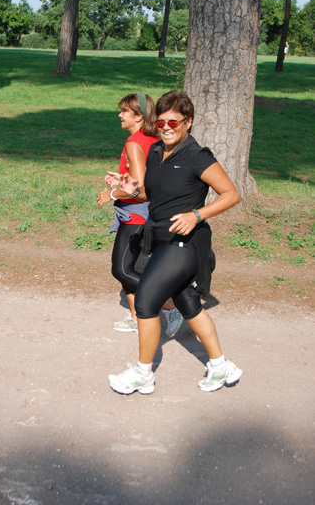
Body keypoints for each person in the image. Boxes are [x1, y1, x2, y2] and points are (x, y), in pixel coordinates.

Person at [107, 90, 243, 394]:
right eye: (162, 122)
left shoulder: (197, 156)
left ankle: (143, 374)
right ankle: (222, 367)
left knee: (145, 301)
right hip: (160, 238)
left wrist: (196, 214)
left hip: (185, 243)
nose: (167, 127)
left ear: (188, 122)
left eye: (174, 122)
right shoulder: (156, 152)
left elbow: (231, 194)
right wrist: (130, 187)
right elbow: (151, 195)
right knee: (189, 304)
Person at [97, 93, 183, 338]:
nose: (120, 115)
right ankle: (137, 317)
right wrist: (120, 179)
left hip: (137, 214)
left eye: (124, 111)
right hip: (144, 212)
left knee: (122, 270)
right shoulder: (152, 137)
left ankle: (171, 304)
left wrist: (112, 193)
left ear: (138, 116)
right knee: (129, 267)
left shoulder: (135, 142)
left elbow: (139, 189)